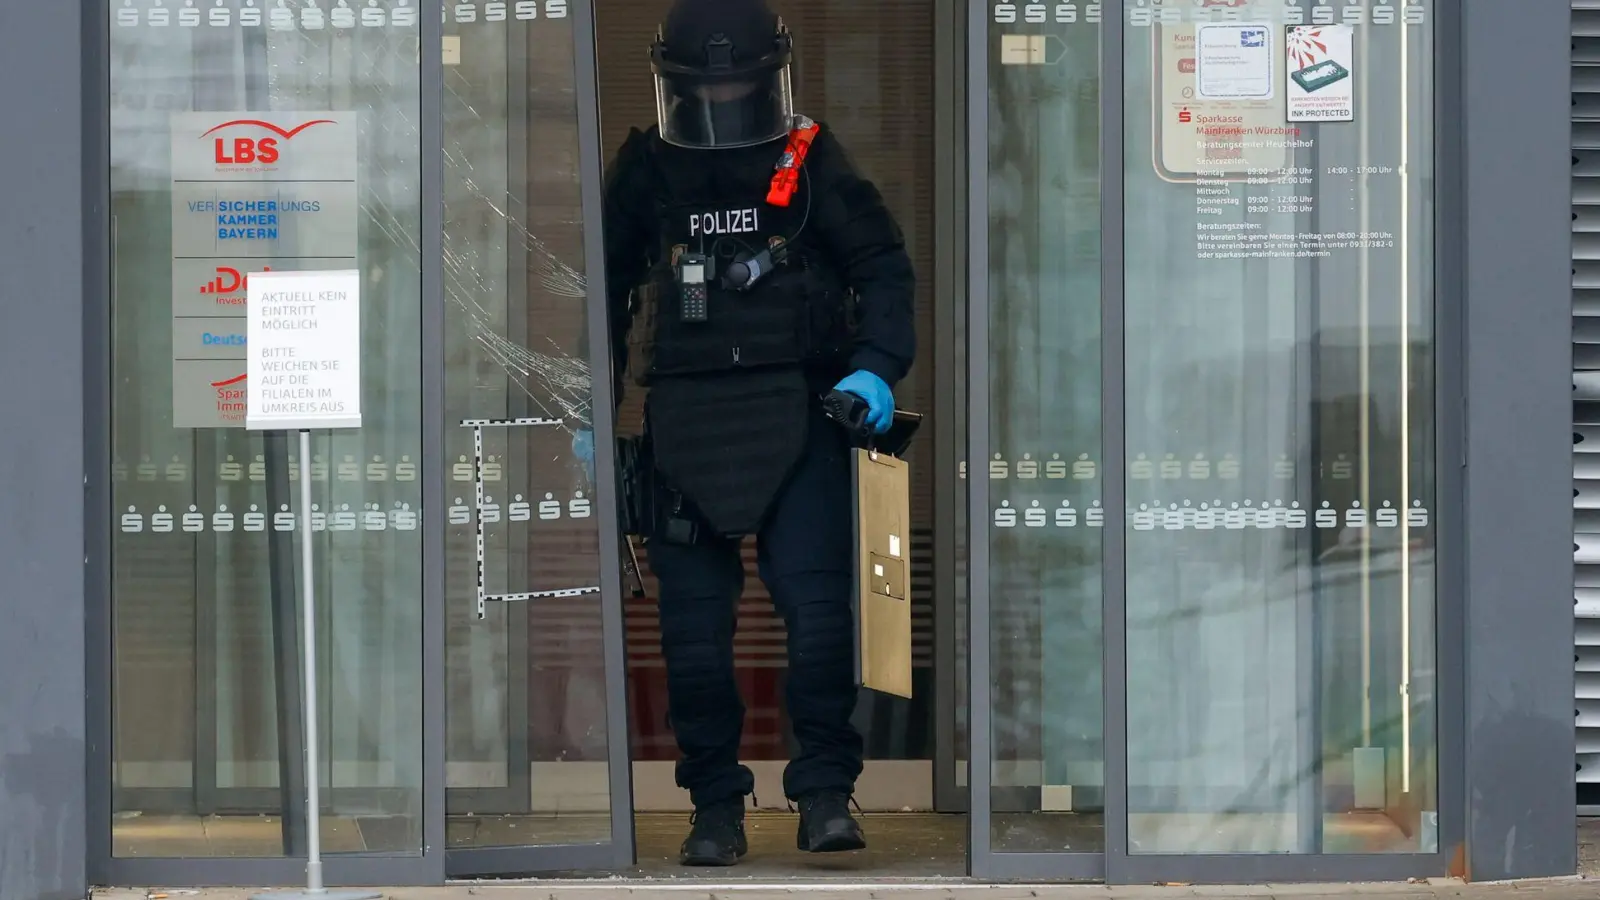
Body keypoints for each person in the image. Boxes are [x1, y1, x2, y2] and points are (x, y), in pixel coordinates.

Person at [578, 0, 916, 868]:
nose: (725, 98)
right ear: (674, 84)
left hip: (800, 413)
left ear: (769, 75)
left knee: (821, 619)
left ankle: (827, 793)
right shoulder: (647, 168)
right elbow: (601, 300)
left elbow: (881, 264)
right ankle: (715, 808)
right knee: (691, 637)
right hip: (683, 424)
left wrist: (875, 365)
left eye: (738, 80)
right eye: (707, 84)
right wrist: (587, 408)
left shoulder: (808, 158)